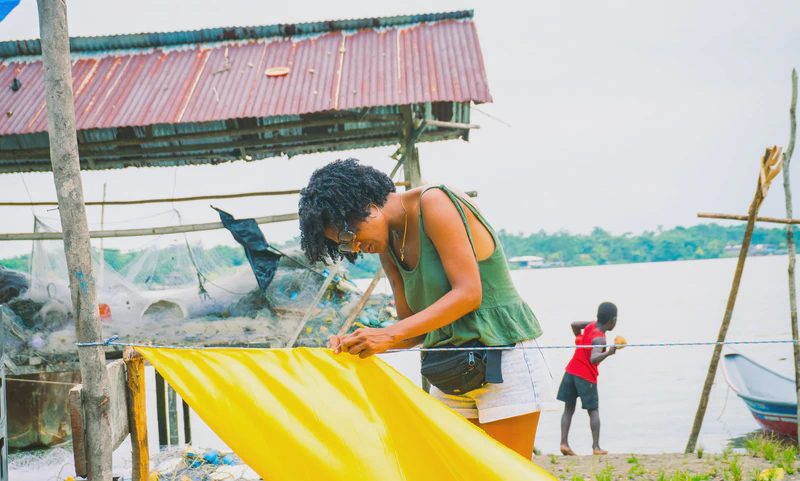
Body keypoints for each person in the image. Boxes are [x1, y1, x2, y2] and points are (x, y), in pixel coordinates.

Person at [298, 159, 554, 459]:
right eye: (343, 245)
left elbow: (469, 294)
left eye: (346, 236)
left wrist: (390, 334)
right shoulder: (388, 246)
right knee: (451, 469)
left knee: (508, 472)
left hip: (503, 356)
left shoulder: (435, 202)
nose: (353, 247)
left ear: (366, 206)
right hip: (452, 370)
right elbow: (413, 328)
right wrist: (363, 341)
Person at [557, 302, 618, 456]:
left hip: (571, 371)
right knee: (593, 411)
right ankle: (596, 447)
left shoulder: (590, 326)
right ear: (612, 321)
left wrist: (579, 336)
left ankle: (564, 443)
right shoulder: (600, 338)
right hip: (586, 377)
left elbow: (575, 324)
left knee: (568, 409)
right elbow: (594, 358)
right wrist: (609, 352)